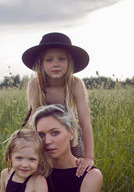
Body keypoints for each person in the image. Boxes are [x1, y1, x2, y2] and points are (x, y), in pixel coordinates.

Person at [22, 32, 93, 177]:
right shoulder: (35, 84)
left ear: (69, 62)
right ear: (41, 63)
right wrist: (29, 153)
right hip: (43, 136)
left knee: (78, 171)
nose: (56, 64)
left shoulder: (75, 84)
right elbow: (32, 123)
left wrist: (89, 157)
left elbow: (85, 123)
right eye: (49, 60)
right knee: (43, 173)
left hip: (71, 137)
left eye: (62, 59)